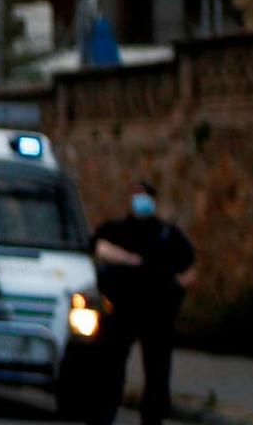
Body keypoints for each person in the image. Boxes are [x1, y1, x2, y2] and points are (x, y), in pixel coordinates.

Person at [89, 180, 197, 425]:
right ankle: (102, 414)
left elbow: (190, 268)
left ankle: (153, 416)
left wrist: (175, 286)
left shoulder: (167, 234)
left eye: (145, 196)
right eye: (137, 195)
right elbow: (100, 247)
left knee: (157, 369)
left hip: (157, 311)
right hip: (123, 307)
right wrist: (130, 259)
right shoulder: (117, 230)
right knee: (110, 365)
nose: (141, 201)